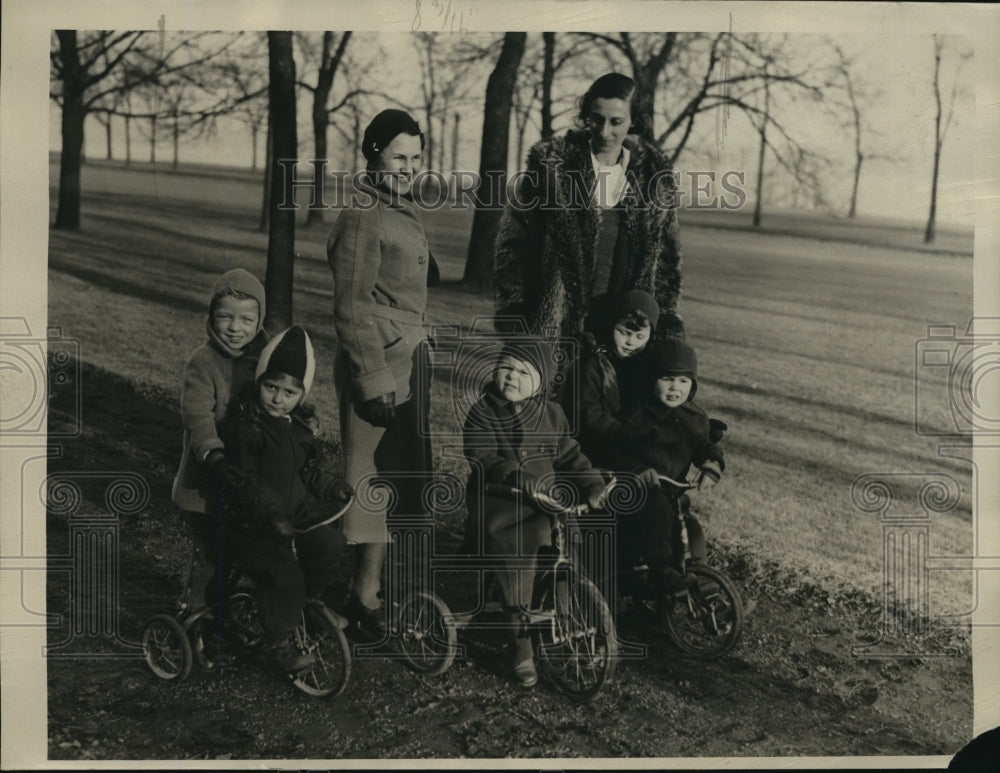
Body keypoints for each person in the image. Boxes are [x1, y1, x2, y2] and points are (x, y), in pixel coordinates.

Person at [326, 108, 434, 637]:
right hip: (378, 363)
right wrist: (371, 381)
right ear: (373, 154)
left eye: (416, 158)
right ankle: (358, 596)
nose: (408, 167)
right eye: (398, 157)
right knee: (368, 479)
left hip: (408, 360)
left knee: (391, 478)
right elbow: (350, 306)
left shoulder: (400, 207)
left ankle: (367, 588)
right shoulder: (365, 213)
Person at [494, 72, 685, 349]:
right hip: (554, 330)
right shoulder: (550, 168)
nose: (604, 131)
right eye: (597, 119)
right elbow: (512, 247)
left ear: (634, 121)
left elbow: (668, 261)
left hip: (623, 337)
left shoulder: (654, 176)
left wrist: (665, 326)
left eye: (616, 122)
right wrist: (515, 313)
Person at [462, 336, 607, 689]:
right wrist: (513, 472)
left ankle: (569, 619)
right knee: (520, 562)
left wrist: (592, 483)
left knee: (568, 550)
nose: (512, 377)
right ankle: (522, 645)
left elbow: (570, 454)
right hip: (502, 505)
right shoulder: (484, 412)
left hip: (547, 505)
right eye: (506, 368)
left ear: (539, 382)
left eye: (523, 372)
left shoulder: (551, 414)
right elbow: (480, 454)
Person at [220, 325, 352, 673]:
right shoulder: (246, 428)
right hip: (252, 525)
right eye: (271, 387)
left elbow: (310, 471)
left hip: (292, 517)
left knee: (329, 544)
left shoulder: (299, 430)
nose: (278, 399)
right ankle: (276, 644)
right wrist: (268, 514)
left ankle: (307, 602)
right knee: (283, 572)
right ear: (259, 382)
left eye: (289, 392)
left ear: (301, 395)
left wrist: (331, 486)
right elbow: (242, 481)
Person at [170, 267, 268, 610]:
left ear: (259, 322)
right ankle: (194, 613)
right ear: (212, 317)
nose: (234, 328)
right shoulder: (204, 362)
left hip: (249, 475)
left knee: (249, 548)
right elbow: (196, 416)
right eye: (225, 317)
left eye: (246, 320)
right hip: (209, 479)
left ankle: (232, 608)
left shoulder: (263, 362)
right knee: (212, 552)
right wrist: (212, 454)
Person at [615, 338, 726, 593]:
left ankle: (699, 576)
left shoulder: (694, 417)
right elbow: (617, 451)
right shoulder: (637, 415)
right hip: (641, 491)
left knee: (689, 527)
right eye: (667, 379)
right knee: (656, 513)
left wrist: (711, 462)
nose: (675, 388)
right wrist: (637, 469)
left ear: (692, 385)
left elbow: (705, 444)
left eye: (683, 381)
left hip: (673, 492)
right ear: (652, 379)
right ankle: (661, 572)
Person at [574, 289, 659, 469]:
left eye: (640, 337)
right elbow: (587, 411)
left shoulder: (647, 367)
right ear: (611, 325)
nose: (631, 342)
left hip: (633, 447)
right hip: (595, 449)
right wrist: (621, 432)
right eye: (624, 332)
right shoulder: (594, 365)